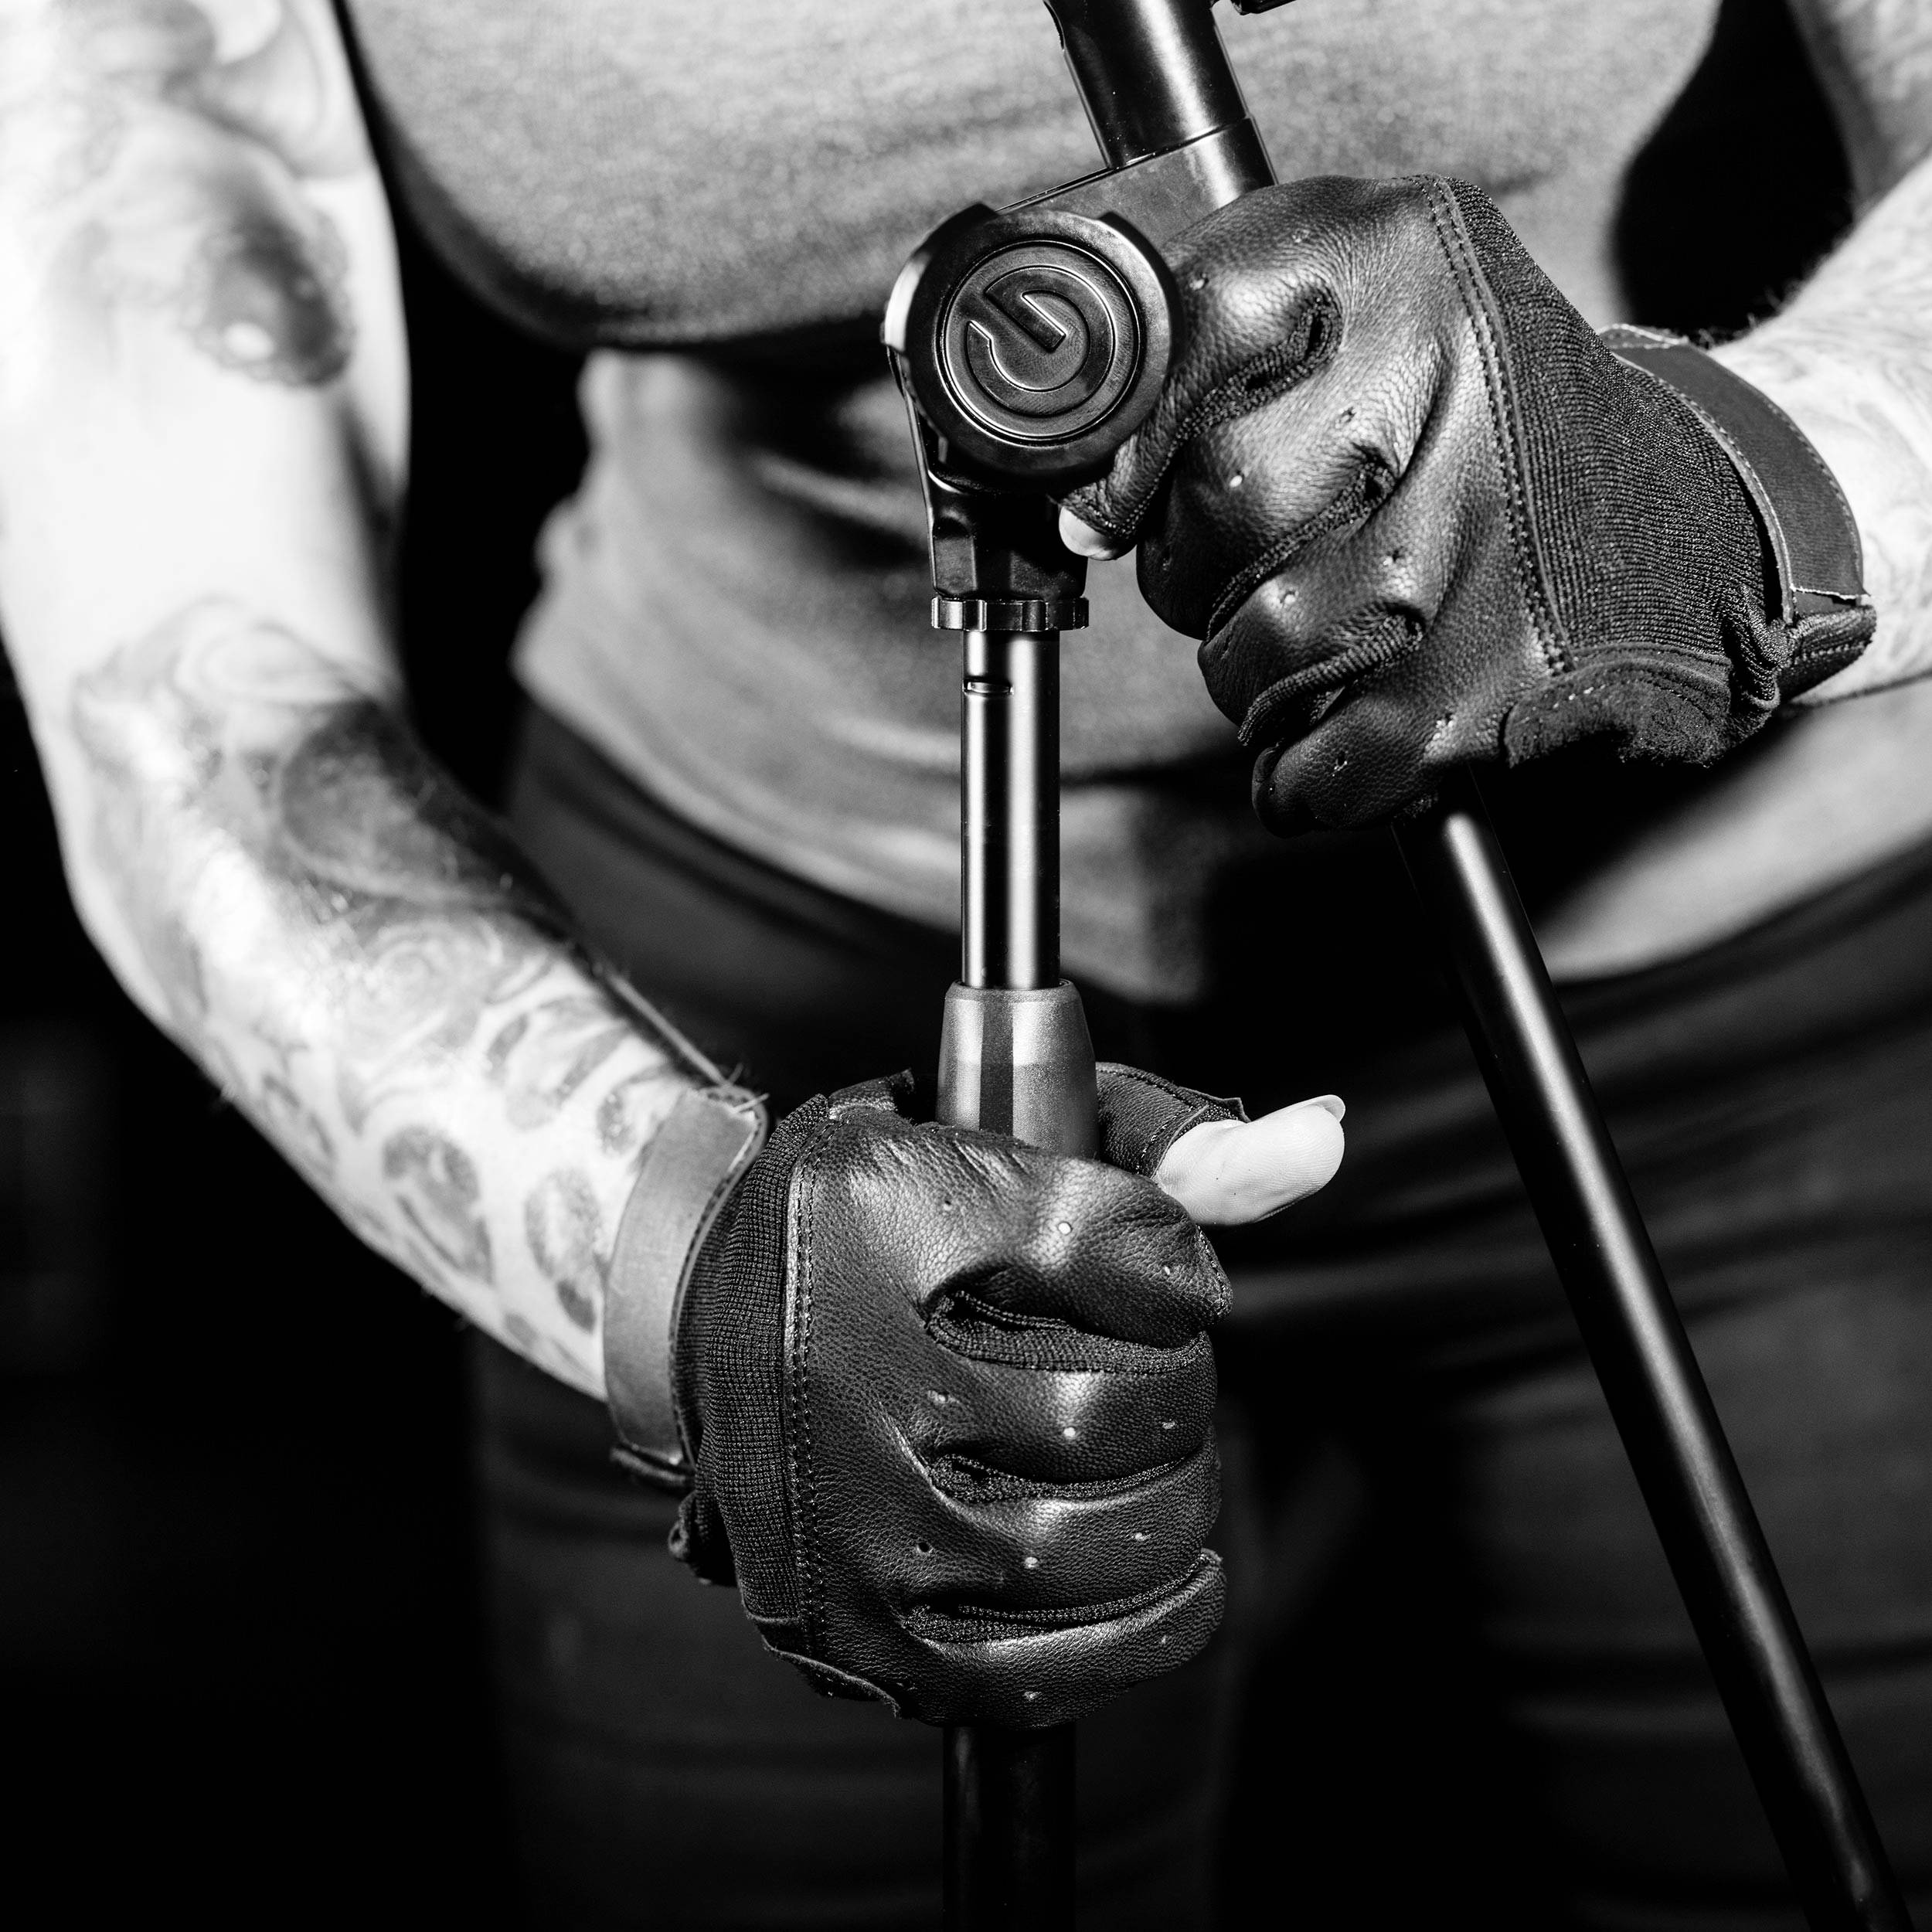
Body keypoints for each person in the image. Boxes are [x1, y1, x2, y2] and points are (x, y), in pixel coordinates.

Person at [2, 0, 1928, 1925]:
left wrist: (1734, 483)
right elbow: (174, 673)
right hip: (746, 1041)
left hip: (1709, 1020)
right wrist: (678, 1258)